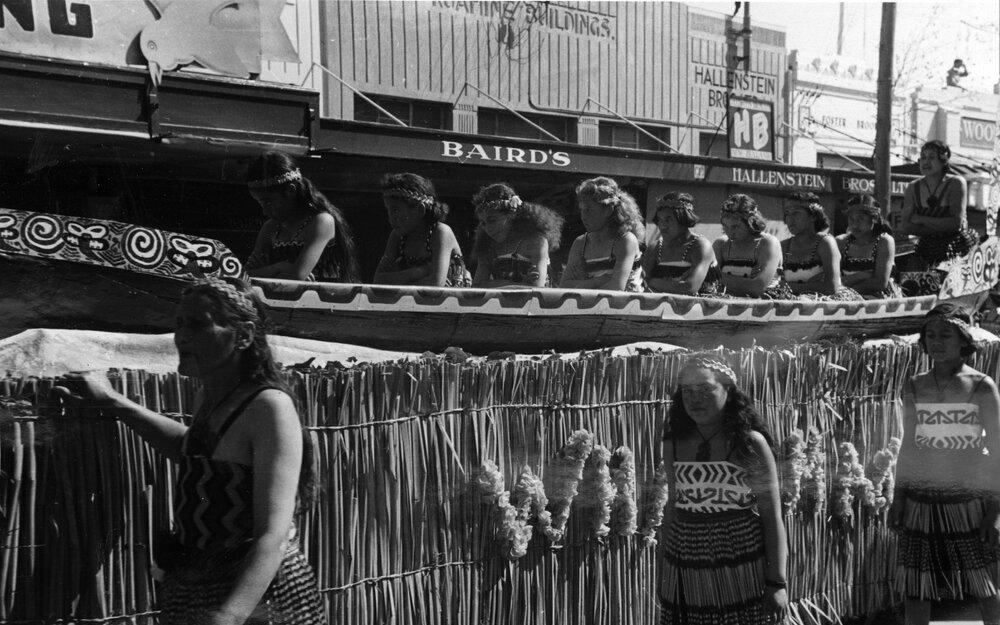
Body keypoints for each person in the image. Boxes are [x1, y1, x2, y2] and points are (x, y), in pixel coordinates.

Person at [51, 277, 324, 625]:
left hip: (261, 599)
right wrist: (113, 403)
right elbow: (197, 454)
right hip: (197, 586)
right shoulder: (211, 396)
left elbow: (273, 534)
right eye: (179, 324)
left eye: (197, 324)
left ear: (243, 335)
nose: (181, 336)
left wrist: (230, 615)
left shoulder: (268, 407)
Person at [889, 303, 1000, 625]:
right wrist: (899, 498)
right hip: (921, 497)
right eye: (930, 335)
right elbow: (909, 444)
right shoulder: (914, 384)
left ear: (964, 339)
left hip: (968, 498)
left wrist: (994, 512)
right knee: (916, 585)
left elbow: (996, 449)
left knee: (985, 584)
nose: (936, 342)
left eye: (945, 335)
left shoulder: (981, 386)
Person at [659, 357, 788, 625]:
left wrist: (776, 582)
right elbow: (673, 506)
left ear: (728, 392)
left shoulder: (750, 443)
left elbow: (771, 516)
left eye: (706, 390)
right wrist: (665, 569)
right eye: (688, 392)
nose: (695, 399)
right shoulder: (673, 443)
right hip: (686, 559)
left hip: (740, 558)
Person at [245, 150, 359, 283]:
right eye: (260, 204)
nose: (264, 211)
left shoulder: (321, 221)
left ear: (290, 191)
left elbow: (296, 276)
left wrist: (265, 272)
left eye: (268, 202)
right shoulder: (270, 228)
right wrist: (277, 268)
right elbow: (244, 277)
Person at [373, 172, 472, 287]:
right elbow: (378, 281)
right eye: (388, 211)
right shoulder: (396, 237)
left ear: (420, 210)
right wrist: (420, 272)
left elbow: (435, 285)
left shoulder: (441, 232)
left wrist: (398, 277)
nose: (391, 217)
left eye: (395, 210)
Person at [899, 140, 978, 268]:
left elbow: (955, 223)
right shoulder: (913, 187)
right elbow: (905, 226)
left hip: (957, 247)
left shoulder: (956, 183)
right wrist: (940, 226)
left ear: (943, 160)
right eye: (923, 157)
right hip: (927, 248)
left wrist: (920, 219)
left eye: (931, 157)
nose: (926, 162)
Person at [560, 176, 645, 292]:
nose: (583, 216)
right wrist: (598, 281)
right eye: (582, 210)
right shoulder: (580, 243)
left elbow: (616, 289)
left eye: (589, 210)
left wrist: (582, 284)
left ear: (608, 210)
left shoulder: (625, 240)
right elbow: (564, 286)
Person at [470, 182, 564, 288]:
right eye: (483, 223)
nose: (487, 228)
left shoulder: (536, 241)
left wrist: (492, 284)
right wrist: (521, 285)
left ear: (511, 215)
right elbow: (477, 287)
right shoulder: (487, 245)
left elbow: (537, 288)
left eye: (492, 220)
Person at [781, 192, 862, 300]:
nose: (790, 219)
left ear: (813, 216)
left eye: (796, 213)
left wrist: (790, 287)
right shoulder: (783, 246)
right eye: (787, 214)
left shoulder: (825, 243)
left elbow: (831, 287)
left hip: (825, 305)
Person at [713, 194, 792, 299]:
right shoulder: (721, 244)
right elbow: (708, 284)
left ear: (751, 222)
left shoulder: (767, 243)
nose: (730, 233)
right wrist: (747, 282)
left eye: (736, 227)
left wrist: (717, 277)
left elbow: (757, 288)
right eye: (725, 226)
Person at [641, 191, 720, 296]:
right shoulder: (654, 247)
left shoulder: (700, 246)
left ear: (683, 219)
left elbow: (690, 288)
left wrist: (652, 282)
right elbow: (641, 282)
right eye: (660, 220)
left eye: (668, 220)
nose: (663, 226)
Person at [836, 195, 902, 299]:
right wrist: (861, 276)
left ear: (874, 219)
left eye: (861, 219)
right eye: (851, 219)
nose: (855, 225)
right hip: (844, 298)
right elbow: (834, 279)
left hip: (879, 300)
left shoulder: (884, 241)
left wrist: (845, 289)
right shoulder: (841, 242)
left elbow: (880, 283)